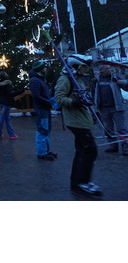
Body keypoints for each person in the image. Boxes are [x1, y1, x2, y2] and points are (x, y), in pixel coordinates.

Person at [55, 55, 101, 196]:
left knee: (82, 151)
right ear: (75, 66)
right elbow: (59, 97)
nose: (85, 69)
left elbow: (81, 96)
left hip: (81, 118)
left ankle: (77, 182)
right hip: (76, 121)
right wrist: (74, 103)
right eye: (83, 66)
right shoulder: (65, 79)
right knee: (90, 150)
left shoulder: (78, 79)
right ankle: (82, 182)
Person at [92, 63, 128, 155]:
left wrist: (123, 82)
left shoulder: (115, 78)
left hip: (117, 107)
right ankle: (113, 146)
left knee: (122, 129)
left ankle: (126, 148)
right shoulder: (96, 80)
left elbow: (127, 87)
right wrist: (94, 104)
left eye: (109, 68)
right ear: (101, 70)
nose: (109, 70)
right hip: (103, 108)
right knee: (108, 129)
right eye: (106, 68)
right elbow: (93, 93)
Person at [29, 60, 57, 160]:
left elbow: (43, 93)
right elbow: (36, 96)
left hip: (45, 108)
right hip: (41, 109)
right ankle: (41, 152)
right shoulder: (35, 80)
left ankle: (46, 150)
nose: (46, 69)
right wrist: (48, 102)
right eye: (44, 67)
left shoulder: (40, 79)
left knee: (47, 129)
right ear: (40, 69)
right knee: (42, 130)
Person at [0, 71, 23, 139]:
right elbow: (9, 94)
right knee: (3, 118)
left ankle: (10, 134)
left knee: (6, 118)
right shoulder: (7, 84)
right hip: (7, 102)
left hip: (2, 101)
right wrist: (20, 91)